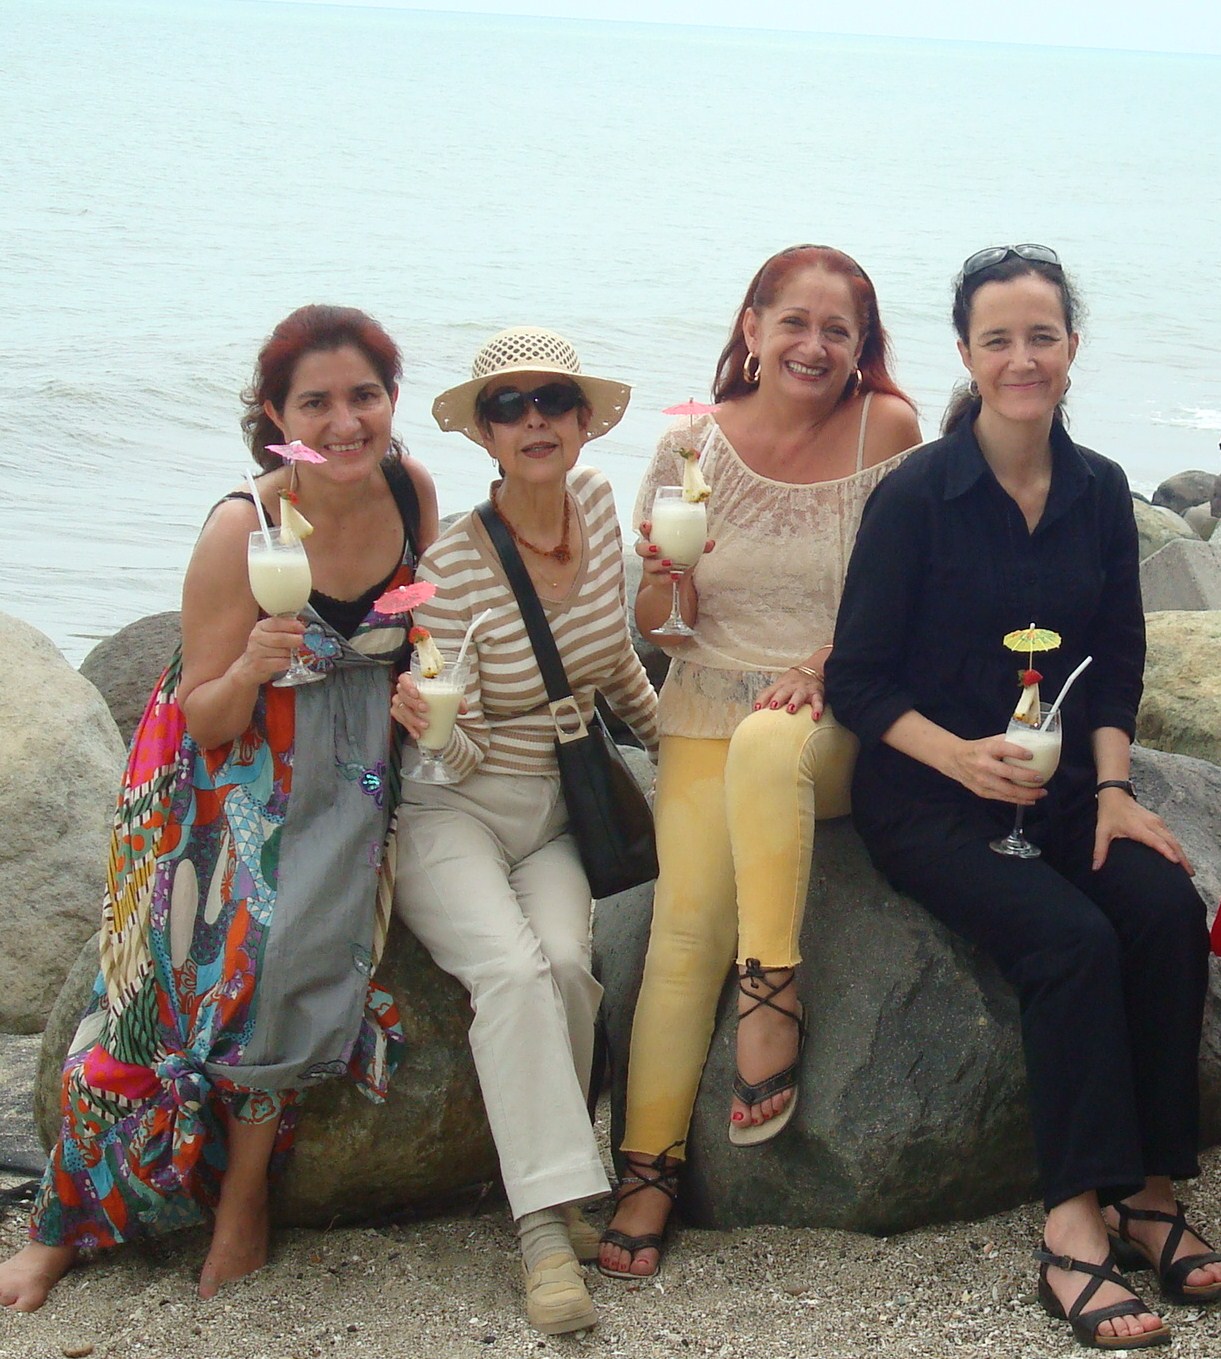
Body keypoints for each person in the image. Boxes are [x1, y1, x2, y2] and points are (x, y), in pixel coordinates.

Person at [0, 304, 438, 1313]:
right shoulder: (245, 526)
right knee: (175, 989)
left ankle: (243, 1199)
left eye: (363, 396)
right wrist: (250, 661)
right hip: (223, 776)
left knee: (299, 964)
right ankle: (67, 1226)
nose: (344, 423)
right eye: (315, 403)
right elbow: (200, 717)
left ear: (391, 402)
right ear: (277, 418)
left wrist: (421, 699)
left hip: (356, 766)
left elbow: (422, 632)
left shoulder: (412, 495)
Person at [826, 244, 1220, 1350]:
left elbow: (1118, 660)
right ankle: (1071, 1225)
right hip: (928, 796)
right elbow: (857, 680)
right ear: (966, 353)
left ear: (1071, 349)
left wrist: (1112, 792)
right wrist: (957, 759)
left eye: (1040, 336)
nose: (1021, 358)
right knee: (1068, 943)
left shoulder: (1096, 490)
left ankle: (1148, 1189)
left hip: (1057, 793)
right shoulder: (917, 495)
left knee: (1158, 910)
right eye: (996, 339)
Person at [599, 245, 922, 1280]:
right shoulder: (690, 447)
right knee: (684, 927)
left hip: (828, 718)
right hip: (702, 707)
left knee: (773, 739)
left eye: (840, 330)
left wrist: (825, 663)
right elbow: (658, 629)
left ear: (863, 347)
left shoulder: (890, 431)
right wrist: (667, 582)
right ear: (752, 328)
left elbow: (906, 593)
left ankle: (772, 989)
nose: (815, 345)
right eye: (795, 322)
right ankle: (647, 1171)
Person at [390, 327, 659, 1336]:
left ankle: (557, 1179)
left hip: (556, 809)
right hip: (452, 807)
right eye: (509, 407)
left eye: (553, 399)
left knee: (569, 965)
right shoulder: (453, 564)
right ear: (485, 436)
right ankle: (549, 1229)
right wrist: (435, 723)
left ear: (586, 421)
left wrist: (678, 750)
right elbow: (448, 755)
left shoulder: (596, 507)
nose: (534, 419)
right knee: (508, 971)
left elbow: (611, 669)